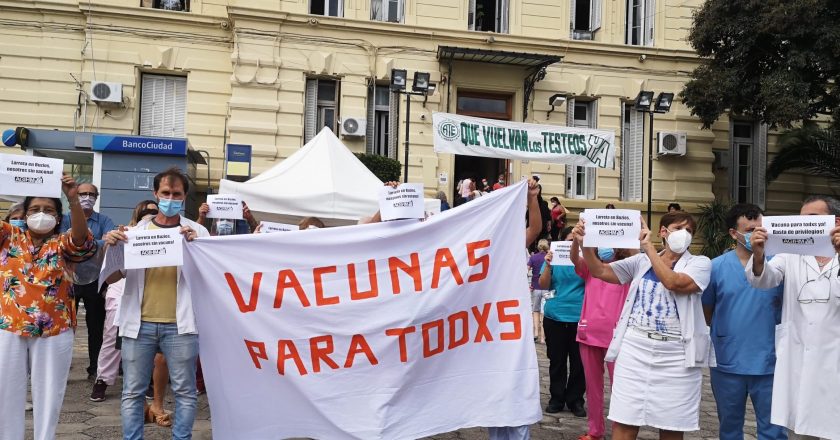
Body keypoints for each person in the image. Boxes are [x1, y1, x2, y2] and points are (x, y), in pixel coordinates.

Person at [576, 211, 712, 440]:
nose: (684, 234)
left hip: (676, 357)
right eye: (679, 228)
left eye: (689, 231)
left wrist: (648, 249)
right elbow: (600, 271)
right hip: (635, 350)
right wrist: (586, 244)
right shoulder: (640, 262)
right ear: (663, 232)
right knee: (625, 422)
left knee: (671, 426)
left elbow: (673, 282)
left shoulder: (700, 263)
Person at [102, 168, 208, 440]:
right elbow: (112, 276)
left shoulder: (197, 232)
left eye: (176, 194)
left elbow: (210, 278)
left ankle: (181, 437)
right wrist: (111, 247)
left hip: (181, 326)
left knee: (184, 391)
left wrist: (196, 250)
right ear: (155, 194)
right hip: (139, 325)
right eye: (165, 193)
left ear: (184, 197)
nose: (170, 198)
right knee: (133, 391)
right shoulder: (134, 233)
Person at [0, 174, 97, 440]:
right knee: (6, 393)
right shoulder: (9, 236)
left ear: (58, 216)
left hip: (54, 329)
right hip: (10, 326)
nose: (41, 214)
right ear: (23, 213)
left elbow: (82, 239)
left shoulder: (63, 242)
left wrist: (73, 198)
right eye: (34, 209)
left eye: (48, 210)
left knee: (48, 394)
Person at [745, 195, 840, 440]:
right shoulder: (790, 253)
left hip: (834, 357)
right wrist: (758, 255)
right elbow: (765, 280)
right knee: (800, 426)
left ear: (835, 221)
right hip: (799, 355)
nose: (804, 223)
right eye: (801, 219)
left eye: (812, 218)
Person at [702, 203, 786, 440]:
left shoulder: (778, 265)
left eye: (760, 228)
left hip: (770, 361)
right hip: (728, 360)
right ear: (734, 233)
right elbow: (707, 311)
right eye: (750, 230)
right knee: (729, 428)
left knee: (774, 430)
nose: (757, 234)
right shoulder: (716, 267)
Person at [487, 177, 544, 440]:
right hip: (488, 327)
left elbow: (536, 227)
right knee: (496, 390)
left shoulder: (514, 242)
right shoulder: (478, 248)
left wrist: (532, 198)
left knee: (518, 382)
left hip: (513, 324)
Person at [90, 200, 158, 403]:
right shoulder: (125, 233)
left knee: (146, 339)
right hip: (120, 290)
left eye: (155, 212)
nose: (150, 215)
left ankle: (146, 381)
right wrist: (110, 242)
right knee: (112, 336)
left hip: (148, 291)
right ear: (137, 214)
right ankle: (102, 379)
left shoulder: (164, 235)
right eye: (146, 212)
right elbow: (108, 265)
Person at [570, 237, 635, 440]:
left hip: (617, 337)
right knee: (593, 387)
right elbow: (575, 260)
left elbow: (640, 260)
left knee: (620, 387)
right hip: (589, 334)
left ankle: (619, 431)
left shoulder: (627, 269)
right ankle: (595, 431)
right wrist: (577, 241)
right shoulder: (591, 267)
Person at [59, 182, 116, 379]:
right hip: (69, 279)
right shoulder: (65, 219)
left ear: (96, 197)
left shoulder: (104, 219)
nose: (87, 197)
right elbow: (62, 243)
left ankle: (95, 369)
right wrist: (94, 244)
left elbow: (110, 241)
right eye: (83, 193)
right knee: (66, 327)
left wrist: (81, 243)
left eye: (91, 194)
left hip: (95, 280)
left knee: (96, 327)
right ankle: (61, 367)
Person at [538, 227, 586, 418]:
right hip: (555, 317)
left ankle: (575, 400)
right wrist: (548, 265)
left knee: (579, 363)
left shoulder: (586, 260)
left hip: (580, 317)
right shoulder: (554, 259)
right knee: (556, 360)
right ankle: (556, 399)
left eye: (575, 241)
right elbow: (543, 285)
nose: (571, 244)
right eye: (568, 241)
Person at [527, 240, 550, 344]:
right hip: (547, 288)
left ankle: (535, 333)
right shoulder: (550, 258)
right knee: (544, 313)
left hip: (535, 288)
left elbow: (526, 270)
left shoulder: (533, 257)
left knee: (535, 311)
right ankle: (543, 338)